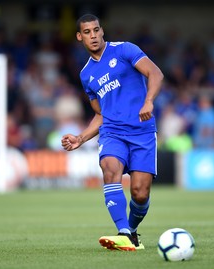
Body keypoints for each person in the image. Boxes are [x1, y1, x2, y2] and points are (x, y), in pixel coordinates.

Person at [61, 14, 163, 251]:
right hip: (113, 132)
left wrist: (149, 101)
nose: (93, 35)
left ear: (102, 31)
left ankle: (132, 231)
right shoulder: (86, 75)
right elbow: (101, 114)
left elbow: (156, 73)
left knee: (139, 193)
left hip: (142, 132)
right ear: (79, 37)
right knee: (109, 167)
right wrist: (81, 137)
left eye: (96, 30)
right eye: (87, 32)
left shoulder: (125, 50)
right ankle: (123, 233)